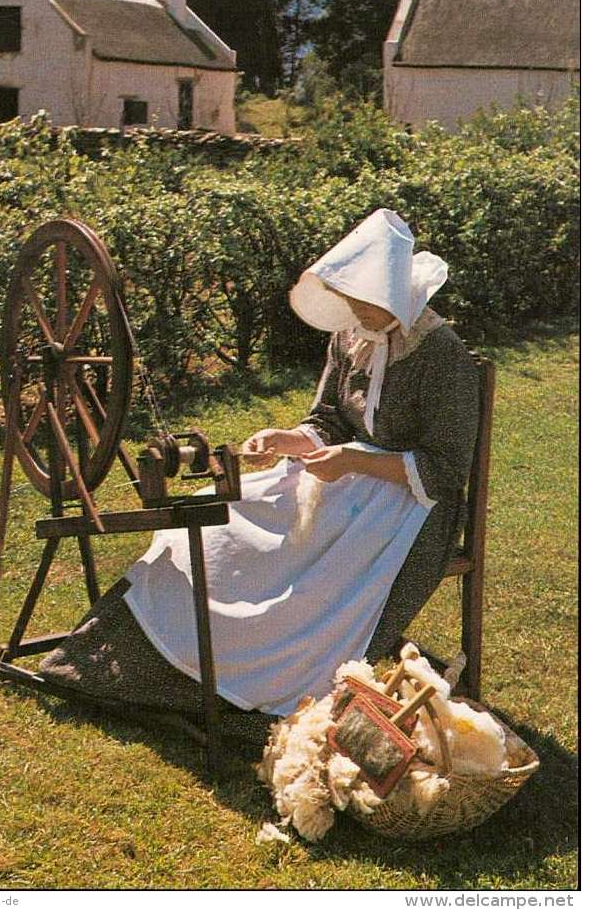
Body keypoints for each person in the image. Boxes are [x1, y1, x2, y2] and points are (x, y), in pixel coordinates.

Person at [40, 208, 479, 739]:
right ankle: (126, 662)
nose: (353, 310)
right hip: (339, 480)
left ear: (391, 295)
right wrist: (287, 440)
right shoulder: (350, 337)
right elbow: (328, 420)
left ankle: (249, 682)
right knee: (214, 519)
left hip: (408, 506)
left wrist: (355, 462)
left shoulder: (442, 355)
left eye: (362, 301)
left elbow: (445, 467)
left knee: (302, 582)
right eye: (349, 298)